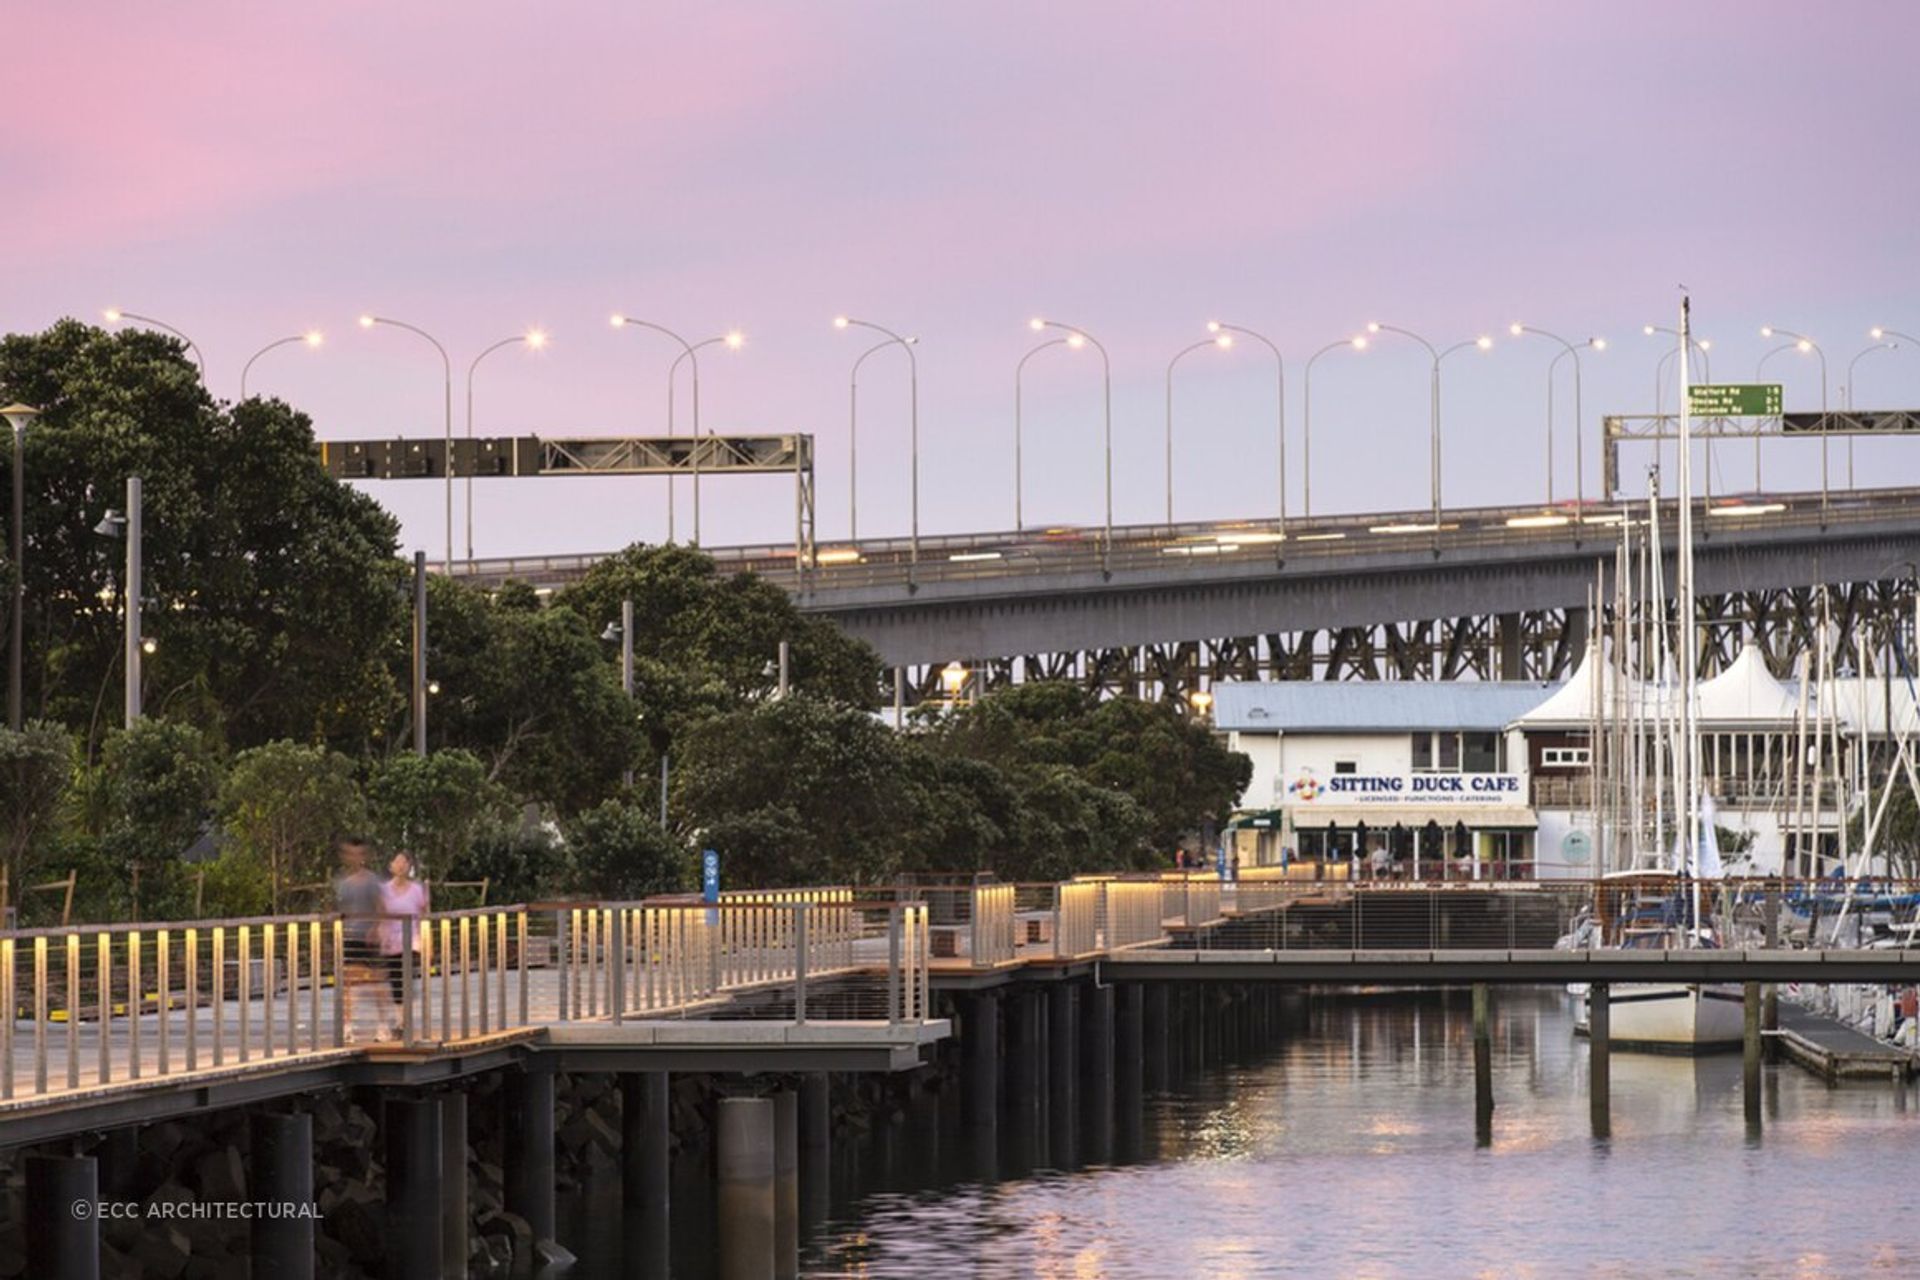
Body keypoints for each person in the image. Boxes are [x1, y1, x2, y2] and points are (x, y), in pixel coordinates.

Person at [376, 850, 430, 1042]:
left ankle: (403, 1022)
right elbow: (379, 915)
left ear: (409, 867)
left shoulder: (417, 890)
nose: (400, 866)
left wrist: (427, 941)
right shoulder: (384, 890)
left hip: (411, 941)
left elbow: (425, 916)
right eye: (396, 862)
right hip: (390, 942)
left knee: (406, 978)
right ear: (391, 866)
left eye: (404, 862)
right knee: (395, 982)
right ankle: (400, 1021)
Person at [334, 837, 383, 1042]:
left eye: (358, 854)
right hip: (350, 936)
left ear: (363, 856)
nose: (353, 858)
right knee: (347, 982)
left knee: (376, 980)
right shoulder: (343, 883)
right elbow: (341, 909)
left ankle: (382, 1026)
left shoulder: (372, 881)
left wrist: (375, 927)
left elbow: (381, 906)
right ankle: (347, 1026)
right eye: (349, 854)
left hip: (369, 937)